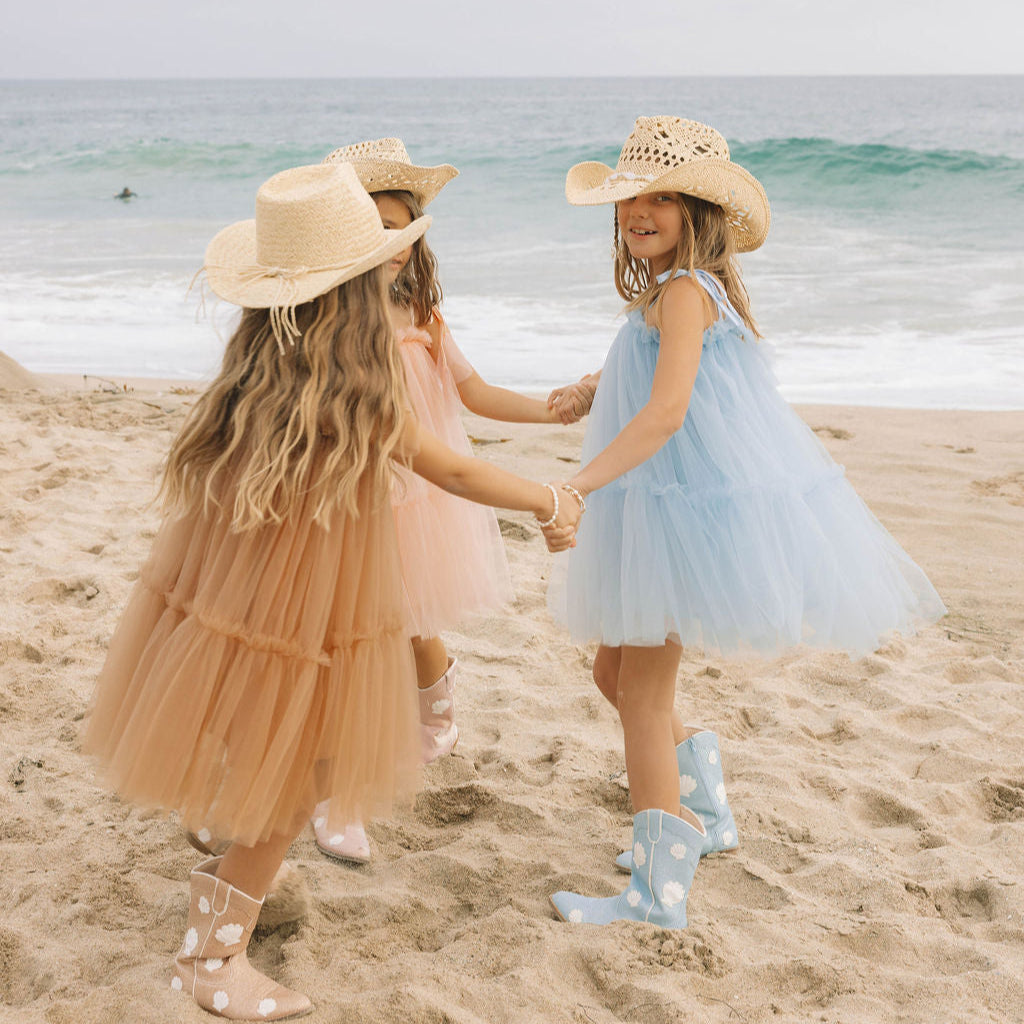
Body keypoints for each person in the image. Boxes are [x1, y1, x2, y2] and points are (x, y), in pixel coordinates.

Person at [84, 161, 581, 1021]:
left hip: (238, 584)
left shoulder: (265, 361)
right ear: (354, 291)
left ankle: (225, 875)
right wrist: (548, 498)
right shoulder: (360, 388)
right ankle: (210, 961)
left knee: (261, 733)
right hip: (317, 597)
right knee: (304, 768)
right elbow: (454, 467)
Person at [546, 116, 946, 929]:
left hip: (672, 510)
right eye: (631, 198)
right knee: (614, 678)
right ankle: (704, 817)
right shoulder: (673, 292)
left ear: (700, 211)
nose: (640, 211)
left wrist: (577, 487)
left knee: (643, 697)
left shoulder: (688, 291)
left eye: (663, 197)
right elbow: (655, 363)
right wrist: (598, 381)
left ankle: (657, 893)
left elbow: (666, 413)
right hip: (661, 504)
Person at [310, 138, 585, 864]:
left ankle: (435, 712)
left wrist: (552, 411)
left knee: (408, 614)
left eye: (402, 229)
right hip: (342, 491)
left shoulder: (421, 312)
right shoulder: (322, 318)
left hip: (418, 488)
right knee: (353, 634)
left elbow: (474, 392)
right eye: (373, 228)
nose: (392, 246)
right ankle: (339, 787)